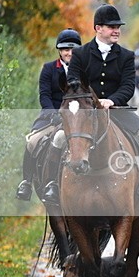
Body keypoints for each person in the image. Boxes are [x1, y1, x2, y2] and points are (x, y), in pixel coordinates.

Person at [41, 4, 139, 205]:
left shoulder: (126, 55)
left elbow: (128, 86)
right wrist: (90, 102)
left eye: (118, 26)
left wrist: (112, 100)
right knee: (58, 138)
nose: (116, 30)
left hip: (117, 112)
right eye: (111, 26)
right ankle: (52, 186)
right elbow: (72, 83)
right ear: (98, 28)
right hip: (85, 114)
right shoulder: (81, 54)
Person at [16, 28, 82, 201]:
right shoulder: (49, 69)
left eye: (73, 49)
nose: (69, 53)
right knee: (32, 141)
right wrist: (54, 114)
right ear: (60, 50)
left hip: (78, 119)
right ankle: (26, 182)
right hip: (52, 116)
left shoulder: (85, 71)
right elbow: (44, 95)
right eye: (66, 49)